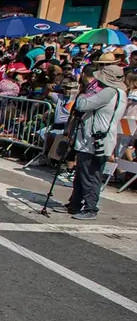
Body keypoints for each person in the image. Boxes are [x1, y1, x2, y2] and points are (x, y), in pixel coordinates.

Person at [63, 64, 127, 220]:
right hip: (99, 138)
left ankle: (90, 207)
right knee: (82, 173)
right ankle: (75, 203)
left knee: (90, 174)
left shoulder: (108, 92)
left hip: (94, 140)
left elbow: (82, 105)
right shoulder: (121, 93)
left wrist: (85, 94)